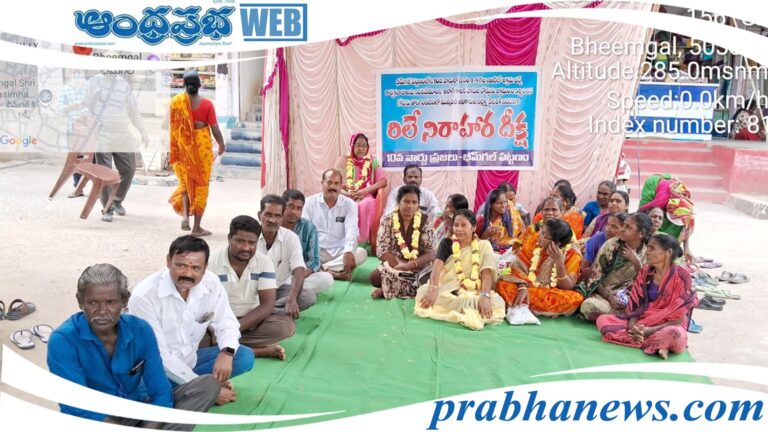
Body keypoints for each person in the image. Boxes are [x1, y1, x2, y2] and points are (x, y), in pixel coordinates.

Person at [48, 264, 220, 429]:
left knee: (207, 386)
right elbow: (77, 405)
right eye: (92, 303)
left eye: (111, 302)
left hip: (139, 411)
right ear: (80, 302)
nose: (102, 311)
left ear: (124, 301)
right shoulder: (63, 340)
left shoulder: (141, 330)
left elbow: (160, 392)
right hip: (96, 420)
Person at [128, 236, 255, 406]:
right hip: (153, 369)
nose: (188, 273)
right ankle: (194, 391)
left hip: (191, 362)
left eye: (196, 268)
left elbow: (227, 321)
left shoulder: (211, 283)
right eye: (181, 265)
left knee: (242, 356)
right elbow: (158, 355)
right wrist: (207, 389)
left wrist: (227, 352)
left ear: (205, 268)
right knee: (140, 393)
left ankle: (186, 390)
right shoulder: (144, 295)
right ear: (168, 261)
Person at [596, 233, 699, 359]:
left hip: (667, 325)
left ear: (668, 252)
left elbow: (679, 317)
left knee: (674, 333)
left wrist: (650, 330)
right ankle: (657, 344)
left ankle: (653, 341)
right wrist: (633, 327)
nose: (647, 252)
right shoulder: (645, 271)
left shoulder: (682, 277)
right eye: (647, 247)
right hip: (643, 321)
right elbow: (635, 305)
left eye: (652, 248)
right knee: (603, 320)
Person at [207, 216, 294, 360]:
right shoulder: (211, 262)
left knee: (285, 327)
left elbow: (267, 305)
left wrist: (233, 330)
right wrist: (216, 330)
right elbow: (203, 305)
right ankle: (256, 351)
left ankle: (225, 346)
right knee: (194, 338)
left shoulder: (264, 262)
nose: (246, 248)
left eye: (251, 243)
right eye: (240, 241)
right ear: (229, 238)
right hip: (217, 322)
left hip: (250, 321)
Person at [414, 209, 505, 330]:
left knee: (497, 303)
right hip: (447, 287)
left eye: (463, 225)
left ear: (473, 228)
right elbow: (436, 268)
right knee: (424, 293)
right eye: (456, 225)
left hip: (475, 290)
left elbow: (486, 274)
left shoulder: (483, 246)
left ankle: (466, 304)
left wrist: (485, 296)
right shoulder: (447, 243)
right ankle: (466, 306)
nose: (459, 229)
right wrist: (433, 289)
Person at [84, 69, 149, 222]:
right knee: (105, 173)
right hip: (102, 133)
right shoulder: (93, 82)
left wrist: (143, 132)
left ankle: (116, 200)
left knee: (129, 169)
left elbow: (133, 111)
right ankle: (108, 208)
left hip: (122, 133)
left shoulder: (123, 84)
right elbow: (85, 107)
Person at [168, 70, 226, 237]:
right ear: (200, 85)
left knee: (186, 183)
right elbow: (215, 128)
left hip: (183, 150)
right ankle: (196, 228)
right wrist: (221, 144)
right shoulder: (207, 105)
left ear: (183, 84)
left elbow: (170, 126)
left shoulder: (176, 102)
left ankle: (185, 217)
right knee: (201, 187)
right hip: (201, 152)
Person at [258, 195, 333, 314]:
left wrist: (292, 298)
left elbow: (299, 269)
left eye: (277, 216)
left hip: (280, 287)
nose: (272, 220)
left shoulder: (291, 237)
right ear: (259, 215)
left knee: (308, 297)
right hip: (254, 289)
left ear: (282, 217)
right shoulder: (251, 236)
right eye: (268, 215)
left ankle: (262, 311)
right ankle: (270, 311)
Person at [497, 219, 583, 317]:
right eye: (541, 231)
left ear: (557, 243)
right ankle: (526, 304)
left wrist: (559, 263)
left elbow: (568, 286)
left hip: (551, 292)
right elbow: (517, 266)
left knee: (575, 299)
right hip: (526, 285)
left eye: (544, 235)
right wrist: (522, 286)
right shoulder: (534, 241)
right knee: (503, 284)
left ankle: (521, 303)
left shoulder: (572, 254)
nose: (539, 236)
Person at [578, 213, 652, 321]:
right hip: (603, 295)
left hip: (627, 298)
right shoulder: (611, 245)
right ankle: (623, 317)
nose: (622, 229)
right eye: (623, 225)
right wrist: (609, 297)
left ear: (641, 233)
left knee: (645, 308)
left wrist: (637, 263)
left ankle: (620, 316)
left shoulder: (648, 254)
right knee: (589, 305)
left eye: (628, 227)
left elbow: (645, 285)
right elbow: (595, 278)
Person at [370, 185, 436, 299]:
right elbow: (382, 250)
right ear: (398, 202)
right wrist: (401, 266)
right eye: (406, 201)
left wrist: (412, 265)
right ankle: (409, 288)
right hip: (395, 267)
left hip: (419, 267)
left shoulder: (425, 221)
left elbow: (430, 253)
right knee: (375, 277)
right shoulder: (387, 220)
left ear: (418, 204)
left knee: (429, 278)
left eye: (414, 202)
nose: (410, 206)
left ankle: (386, 289)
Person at [303, 169, 368, 280]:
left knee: (361, 253)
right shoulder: (309, 203)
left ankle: (321, 269)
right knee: (300, 254)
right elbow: (306, 232)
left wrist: (348, 251)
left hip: (340, 252)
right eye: (329, 182)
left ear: (341, 186)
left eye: (336, 183)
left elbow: (351, 231)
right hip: (317, 251)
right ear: (322, 183)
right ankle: (334, 272)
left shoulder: (349, 205)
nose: (332, 186)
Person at [336, 133, 388, 244]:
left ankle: (362, 241)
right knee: (348, 205)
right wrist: (348, 194)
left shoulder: (372, 161)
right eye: (358, 145)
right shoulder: (342, 160)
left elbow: (383, 182)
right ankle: (344, 241)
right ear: (352, 146)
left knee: (366, 204)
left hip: (366, 195)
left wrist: (364, 191)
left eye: (364, 146)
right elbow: (334, 184)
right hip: (345, 195)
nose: (361, 149)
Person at [638, 174, 695, 264]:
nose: (657, 219)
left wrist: (686, 248)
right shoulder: (656, 198)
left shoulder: (685, 208)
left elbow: (686, 227)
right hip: (656, 190)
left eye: (660, 218)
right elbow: (641, 216)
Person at [282, 189, 327, 287]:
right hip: (275, 273)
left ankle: (291, 287)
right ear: (282, 206)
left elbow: (314, 261)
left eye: (299, 208)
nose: (294, 212)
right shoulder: (275, 224)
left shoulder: (309, 227)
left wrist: (298, 277)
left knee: (326, 279)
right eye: (290, 206)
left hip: (298, 273)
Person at [580, 212, 627, 280]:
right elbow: (583, 267)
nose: (608, 229)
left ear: (624, 230)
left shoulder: (625, 246)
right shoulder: (599, 238)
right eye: (607, 224)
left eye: (614, 227)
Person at [476, 188, 518, 253]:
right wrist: (485, 235)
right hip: (487, 253)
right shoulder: (481, 220)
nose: (503, 205)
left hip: (509, 252)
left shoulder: (510, 217)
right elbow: (475, 242)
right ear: (490, 205)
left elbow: (520, 233)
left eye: (505, 202)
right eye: (499, 203)